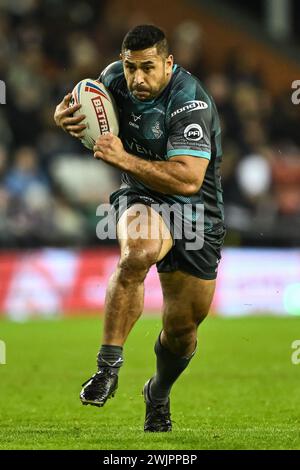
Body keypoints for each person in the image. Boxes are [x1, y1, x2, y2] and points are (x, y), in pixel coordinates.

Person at [54, 24, 225, 432]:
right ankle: (107, 367)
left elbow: (187, 180)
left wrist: (122, 158)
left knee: (182, 330)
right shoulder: (112, 79)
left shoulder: (190, 102)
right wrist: (61, 117)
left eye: (148, 68)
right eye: (131, 68)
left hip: (196, 210)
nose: (137, 79)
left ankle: (158, 392)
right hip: (142, 197)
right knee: (137, 253)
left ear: (168, 63)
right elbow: (81, 107)